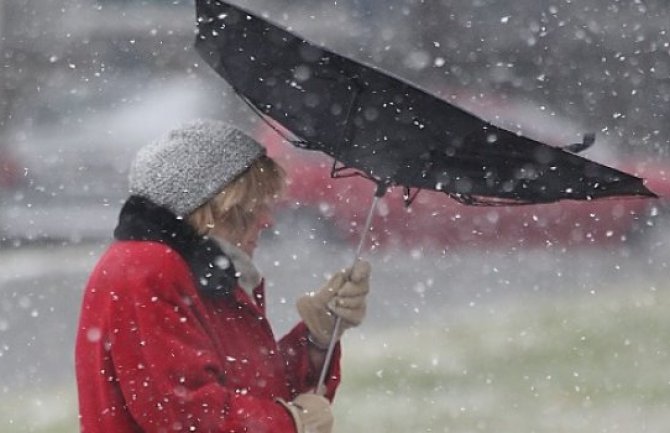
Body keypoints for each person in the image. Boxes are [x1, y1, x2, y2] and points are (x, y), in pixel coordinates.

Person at [75, 119, 372, 433]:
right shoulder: (147, 266)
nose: (267, 221)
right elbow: (182, 411)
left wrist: (315, 340)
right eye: (254, 206)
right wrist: (290, 422)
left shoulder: (205, 272)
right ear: (216, 207)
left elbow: (254, 385)